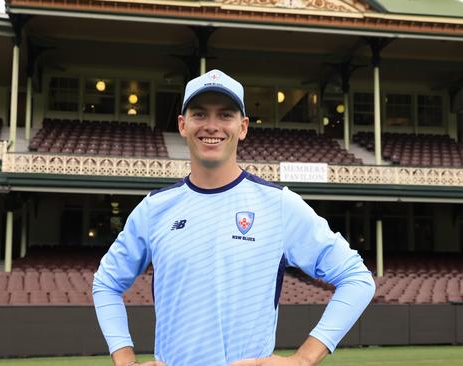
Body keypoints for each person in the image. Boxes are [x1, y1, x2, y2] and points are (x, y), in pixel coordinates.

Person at [93, 69, 375, 366]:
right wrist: (125, 359)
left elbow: (356, 278)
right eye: (200, 114)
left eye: (225, 115)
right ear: (183, 125)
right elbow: (106, 283)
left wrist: (304, 359)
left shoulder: (278, 205)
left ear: (242, 127)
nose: (212, 126)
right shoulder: (154, 208)